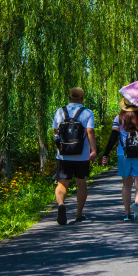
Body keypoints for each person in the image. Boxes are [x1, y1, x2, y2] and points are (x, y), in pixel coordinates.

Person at [102, 98, 138, 224]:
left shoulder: (119, 118)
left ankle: (127, 213)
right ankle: (137, 205)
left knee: (126, 184)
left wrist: (105, 154)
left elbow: (113, 137)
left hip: (123, 154)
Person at [51, 87, 97, 225]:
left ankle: (61, 205)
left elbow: (55, 132)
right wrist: (93, 150)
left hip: (63, 155)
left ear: (69, 97)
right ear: (82, 99)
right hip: (82, 156)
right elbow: (90, 132)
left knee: (62, 184)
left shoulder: (60, 111)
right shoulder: (87, 113)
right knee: (81, 185)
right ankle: (78, 213)